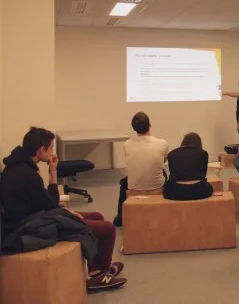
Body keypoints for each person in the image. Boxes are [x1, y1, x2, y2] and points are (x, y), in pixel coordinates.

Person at [0, 127, 127, 291]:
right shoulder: (27, 175)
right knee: (108, 229)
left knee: (96, 216)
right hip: (28, 228)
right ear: (41, 150)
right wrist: (53, 173)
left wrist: (64, 211)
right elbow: (51, 203)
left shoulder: (16, 167)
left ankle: (96, 268)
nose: (52, 151)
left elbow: (46, 203)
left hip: (34, 217)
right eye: (51, 147)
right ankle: (98, 275)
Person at [113, 112, 169, 226]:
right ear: (150, 125)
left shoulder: (127, 144)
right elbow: (161, 162)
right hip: (157, 187)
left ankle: (121, 216)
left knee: (124, 182)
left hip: (133, 189)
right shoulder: (162, 143)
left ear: (134, 128)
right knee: (163, 171)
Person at [163, 132, 213, 201]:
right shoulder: (203, 153)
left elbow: (172, 175)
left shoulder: (172, 153)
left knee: (166, 188)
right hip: (199, 191)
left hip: (175, 192)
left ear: (183, 141)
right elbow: (203, 175)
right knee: (209, 188)